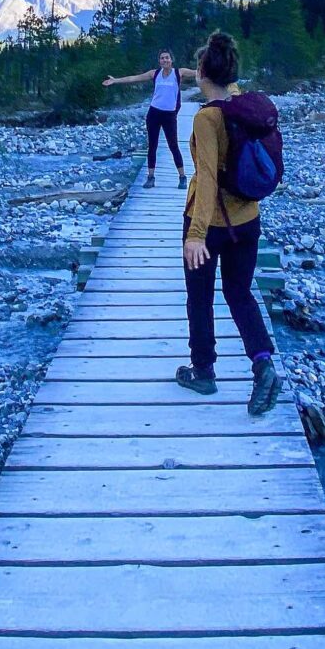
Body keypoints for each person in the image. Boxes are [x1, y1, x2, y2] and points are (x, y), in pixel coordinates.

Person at [176, 31, 280, 415]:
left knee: (200, 299)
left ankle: (203, 371)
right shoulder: (242, 103)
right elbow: (220, 78)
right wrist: (205, 66)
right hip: (248, 221)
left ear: (203, 72)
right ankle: (263, 364)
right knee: (240, 295)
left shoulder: (207, 119)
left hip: (210, 226)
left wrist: (195, 235)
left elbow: (206, 180)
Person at [102, 51, 192, 188]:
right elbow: (134, 78)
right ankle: (150, 177)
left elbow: (200, 73)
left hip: (169, 115)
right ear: (159, 61)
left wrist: (220, 71)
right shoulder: (154, 74)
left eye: (167, 58)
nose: (165, 60)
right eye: (162, 58)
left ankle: (182, 176)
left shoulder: (179, 73)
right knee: (152, 146)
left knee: (173, 146)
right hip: (154, 113)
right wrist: (116, 80)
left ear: (171, 60)